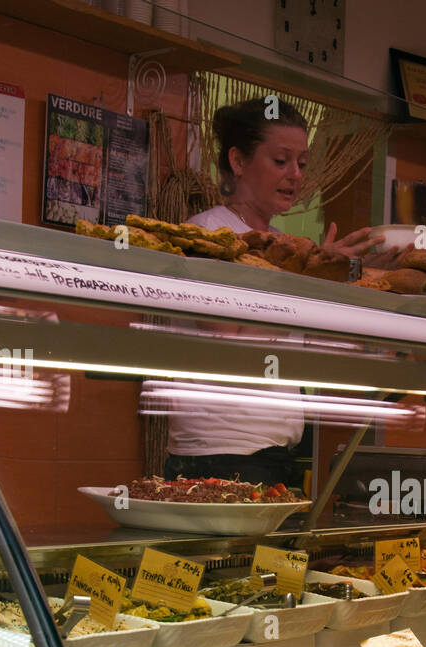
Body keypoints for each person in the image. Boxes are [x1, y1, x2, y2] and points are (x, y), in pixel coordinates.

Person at [163, 98, 396, 486]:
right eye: (281, 161)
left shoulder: (286, 246)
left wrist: (369, 289)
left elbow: (306, 339)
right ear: (238, 162)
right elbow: (226, 341)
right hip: (219, 457)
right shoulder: (207, 235)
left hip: (272, 454)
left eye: (302, 164)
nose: (295, 175)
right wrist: (308, 279)